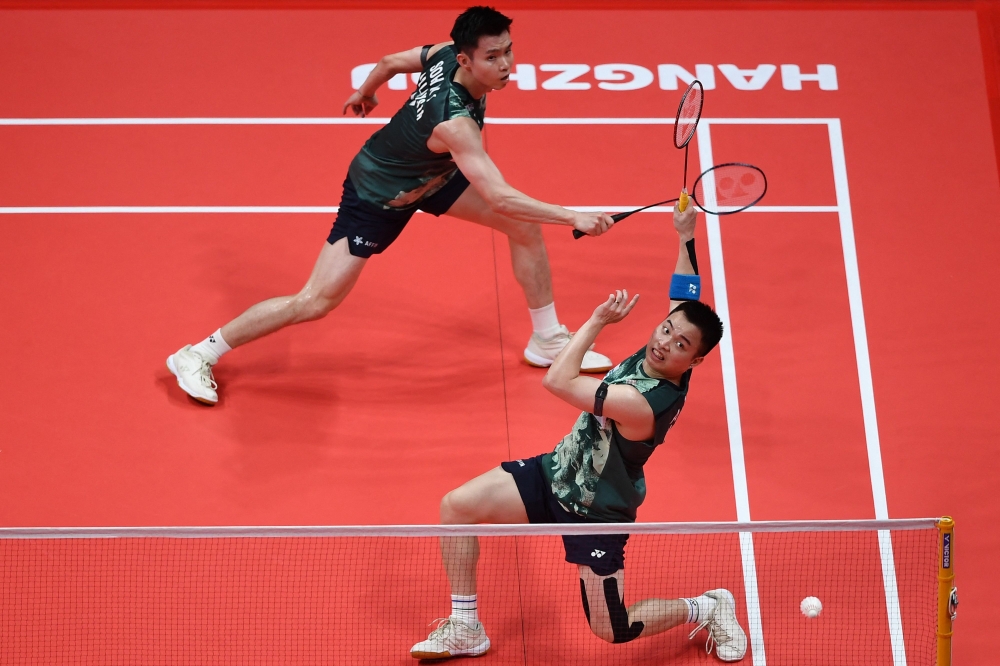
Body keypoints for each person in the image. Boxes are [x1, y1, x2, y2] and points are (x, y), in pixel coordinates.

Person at [166, 6, 617, 405]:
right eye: (493, 58)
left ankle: (548, 341)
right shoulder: (455, 123)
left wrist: (367, 91)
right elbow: (499, 195)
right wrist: (571, 215)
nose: (506, 65)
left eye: (508, 51)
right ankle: (199, 353)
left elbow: (388, 62)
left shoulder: (443, 52)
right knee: (316, 301)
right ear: (465, 60)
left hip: (430, 175)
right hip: (379, 193)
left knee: (523, 227)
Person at [410, 203, 748, 662]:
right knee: (457, 506)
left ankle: (706, 606)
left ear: (695, 362)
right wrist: (684, 234)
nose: (664, 341)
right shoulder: (671, 352)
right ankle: (466, 626)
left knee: (614, 629)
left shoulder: (643, 405)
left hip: (596, 512)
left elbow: (556, 381)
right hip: (558, 473)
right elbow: (686, 293)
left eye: (680, 344)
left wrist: (596, 322)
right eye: (666, 329)